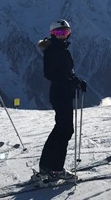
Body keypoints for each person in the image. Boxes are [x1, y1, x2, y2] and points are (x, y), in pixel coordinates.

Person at [37, 19, 86, 180]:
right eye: (59, 33)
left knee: (60, 129)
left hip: (63, 92)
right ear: (52, 34)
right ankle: (56, 169)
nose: (62, 35)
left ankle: (46, 166)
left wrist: (77, 81)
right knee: (65, 130)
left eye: (65, 32)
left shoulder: (61, 49)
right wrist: (70, 82)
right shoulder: (53, 50)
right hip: (60, 93)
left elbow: (67, 72)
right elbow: (49, 73)